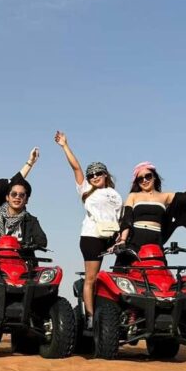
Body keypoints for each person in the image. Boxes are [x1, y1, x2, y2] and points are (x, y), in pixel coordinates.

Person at [53, 131, 122, 322]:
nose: (94, 176)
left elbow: (120, 217)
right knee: (91, 278)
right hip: (91, 237)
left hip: (111, 239)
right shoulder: (86, 191)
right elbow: (76, 168)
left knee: (115, 275)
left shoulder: (115, 194)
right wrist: (65, 145)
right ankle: (90, 317)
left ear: (105, 174)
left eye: (98, 173)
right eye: (91, 174)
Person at [117, 157, 186, 262]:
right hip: (135, 239)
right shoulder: (133, 196)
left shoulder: (165, 196)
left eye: (148, 176)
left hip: (155, 240)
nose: (144, 180)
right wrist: (122, 240)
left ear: (154, 177)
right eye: (140, 179)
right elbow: (127, 219)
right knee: (125, 274)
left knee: (158, 274)